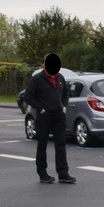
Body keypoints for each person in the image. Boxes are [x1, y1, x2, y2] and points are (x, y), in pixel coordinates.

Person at [22, 53, 75, 184]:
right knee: (42, 144)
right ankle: (42, 173)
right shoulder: (37, 79)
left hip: (58, 115)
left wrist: (64, 106)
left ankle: (63, 173)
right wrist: (40, 108)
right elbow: (28, 96)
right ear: (44, 64)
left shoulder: (61, 78)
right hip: (44, 116)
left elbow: (66, 94)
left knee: (61, 144)